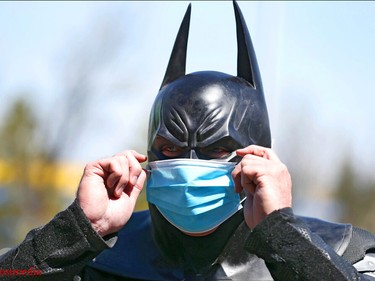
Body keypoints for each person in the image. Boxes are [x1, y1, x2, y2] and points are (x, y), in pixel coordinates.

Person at [1, 1, 375, 280]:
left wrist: (283, 236)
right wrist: (79, 232)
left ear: (261, 159)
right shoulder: (100, 255)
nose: (190, 164)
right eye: (170, 150)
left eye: (216, 150)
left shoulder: (342, 249)